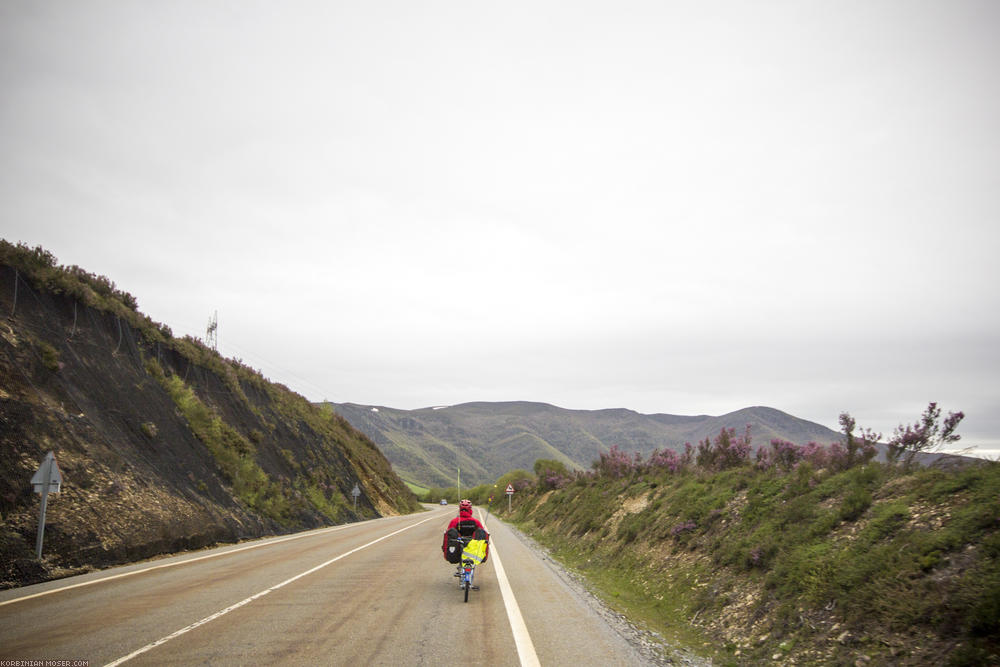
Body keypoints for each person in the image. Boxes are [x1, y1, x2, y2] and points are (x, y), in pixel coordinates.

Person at [442, 499, 489, 567]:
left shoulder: (454, 521)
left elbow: (449, 534)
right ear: (470, 509)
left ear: (460, 509)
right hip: (472, 546)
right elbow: (482, 532)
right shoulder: (476, 522)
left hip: (458, 545)